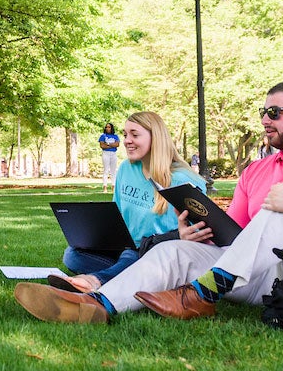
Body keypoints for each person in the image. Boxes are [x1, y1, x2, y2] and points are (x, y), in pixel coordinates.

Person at [14, 80, 283, 325]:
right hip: (266, 280)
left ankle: (201, 293)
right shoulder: (256, 171)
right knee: (172, 252)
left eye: (275, 113)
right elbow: (235, 237)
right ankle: (97, 305)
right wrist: (194, 233)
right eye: (263, 113)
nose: (265, 120)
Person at [54, 111, 207, 294]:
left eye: (135, 135)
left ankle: (96, 280)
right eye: (126, 135)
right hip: (126, 247)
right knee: (73, 255)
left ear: (155, 138)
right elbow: (116, 214)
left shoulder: (184, 179)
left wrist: (179, 236)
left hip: (159, 251)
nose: (127, 140)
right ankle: (126, 275)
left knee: (131, 255)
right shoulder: (126, 169)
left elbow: (200, 230)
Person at [98, 123, 120, 192]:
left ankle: (113, 186)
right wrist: (112, 145)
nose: (107, 128)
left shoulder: (115, 136)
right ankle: (105, 187)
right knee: (106, 170)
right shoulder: (103, 136)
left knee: (113, 171)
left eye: (109, 127)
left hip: (113, 154)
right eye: (106, 127)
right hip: (106, 154)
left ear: (111, 128)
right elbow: (102, 145)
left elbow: (117, 144)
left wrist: (107, 144)